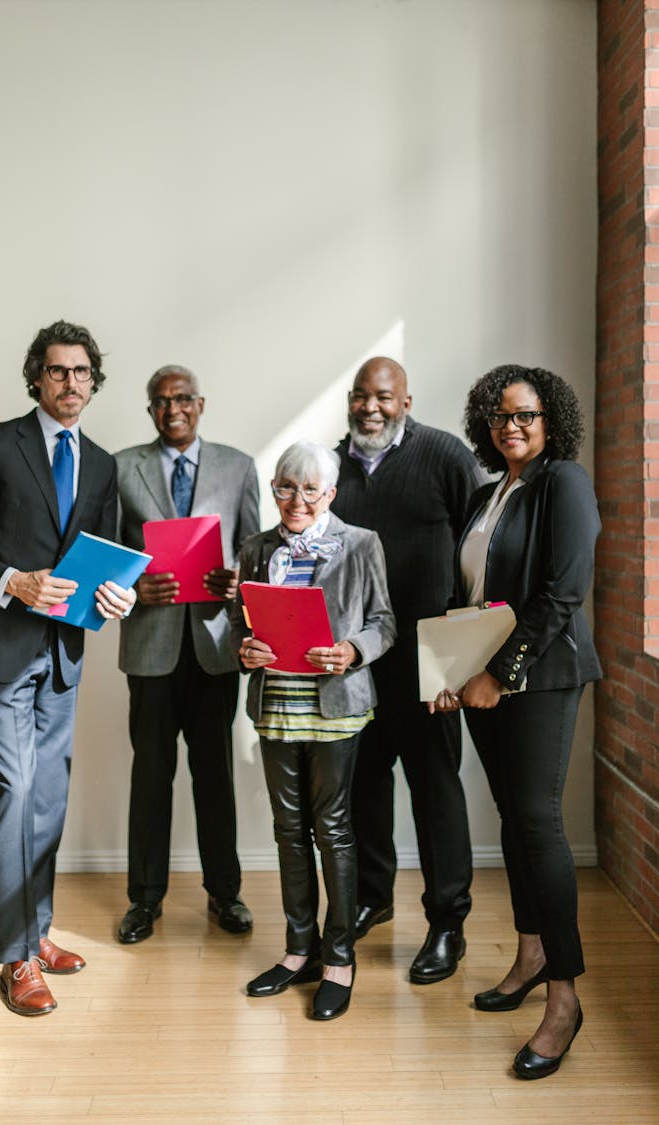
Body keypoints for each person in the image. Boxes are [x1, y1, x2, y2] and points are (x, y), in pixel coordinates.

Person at [0, 320, 135, 1017]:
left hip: (65, 652)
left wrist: (120, 594)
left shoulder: (103, 463)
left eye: (82, 372)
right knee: (14, 793)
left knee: (47, 797)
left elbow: (109, 556)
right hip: (0, 645)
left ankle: (36, 930)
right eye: (57, 370)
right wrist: (11, 579)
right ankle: (16, 957)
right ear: (37, 378)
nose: (70, 382)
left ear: (92, 381)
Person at [431, 364, 600, 1079]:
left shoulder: (565, 482)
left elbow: (565, 590)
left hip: (540, 677)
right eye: (500, 417)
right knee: (511, 819)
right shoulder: (485, 493)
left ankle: (563, 997)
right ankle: (530, 953)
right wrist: (444, 674)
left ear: (550, 420)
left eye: (526, 415)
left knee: (539, 823)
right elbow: (471, 596)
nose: (513, 427)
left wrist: (501, 673)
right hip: (476, 680)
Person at [331, 356, 483, 983]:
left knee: (435, 791)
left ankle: (448, 922)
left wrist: (464, 656)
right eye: (361, 396)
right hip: (358, 660)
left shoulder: (445, 456)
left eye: (384, 397)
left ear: (407, 401)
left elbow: (480, 551)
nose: (371, 407)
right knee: (364, 785)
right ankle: (374, 896)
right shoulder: (332, 465)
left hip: (431, 661)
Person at [233, 441, 395, 1020]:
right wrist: (245, 649)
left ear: (330, 494)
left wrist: (352, 649)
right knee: (288, 830)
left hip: (336, 707)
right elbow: (241, 622)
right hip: (277, 702)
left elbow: (384, 623)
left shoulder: (360, 544)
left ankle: (339, 958)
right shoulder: (255, 548)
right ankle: (298, 949)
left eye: (309, 490)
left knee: (332, 827)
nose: (295, 500)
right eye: (284, 487)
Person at [115, 364, 260, 943]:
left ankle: (226, 894)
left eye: (182, 399)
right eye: (160, 401)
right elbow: (104, 550)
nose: (171, 409)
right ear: (150, 409)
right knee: (150, 777)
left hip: (214, 648)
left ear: (200, 404)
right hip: (150, 646)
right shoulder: (122, 467)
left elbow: (257, 556)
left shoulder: (238, 465)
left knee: (214, 775)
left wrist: (238, 584)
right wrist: (131, 589)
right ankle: (143, 902)